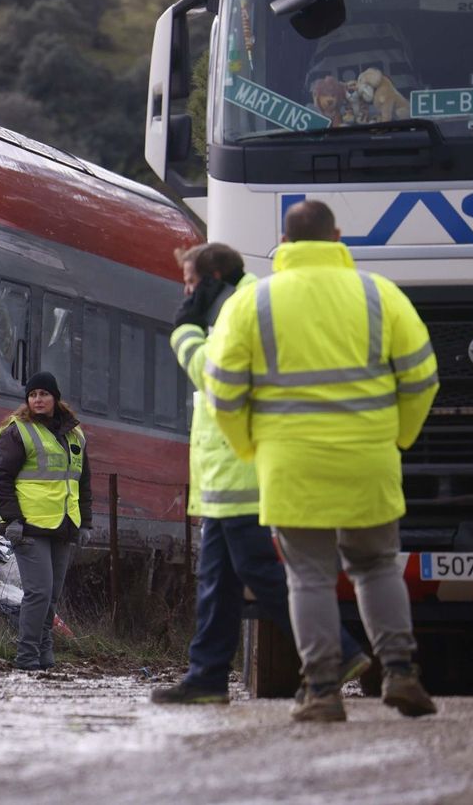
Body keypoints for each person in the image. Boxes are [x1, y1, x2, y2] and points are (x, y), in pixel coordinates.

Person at [204, 199, 439, 722]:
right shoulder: (381, 295)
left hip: (291, 466)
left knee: (307, 575)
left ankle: (324, 690)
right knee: (377, 566)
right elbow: (423, 377)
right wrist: (399, 437)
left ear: (284, 244)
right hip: (368, 460)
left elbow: (221, 392)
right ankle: (400, 672)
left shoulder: (252, 304)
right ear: (337, 236)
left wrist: (249, 448)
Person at [152, 242, 369, 705]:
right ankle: (207, 677)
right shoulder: (242, 304)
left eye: (190, 285)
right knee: (218, 582)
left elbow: (215, 379)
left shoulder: (239, 311)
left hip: (241, 470)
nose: (185, 296)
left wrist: (183, 333)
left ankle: (338, 652)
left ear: (212, 281)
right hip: (227, 472)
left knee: (260, 574)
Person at [0, 371, 92, 671]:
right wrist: (12, 519)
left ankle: (45, 655)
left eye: (43, 394)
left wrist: (84, 522)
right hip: (29, 526)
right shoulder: (17, 431)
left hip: (63, 525)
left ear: (55, 398)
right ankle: (27, 657)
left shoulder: (75, 434)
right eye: (33, 395)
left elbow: (83, 481)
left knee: (52, 596)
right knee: (39, 592)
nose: (38, 399)